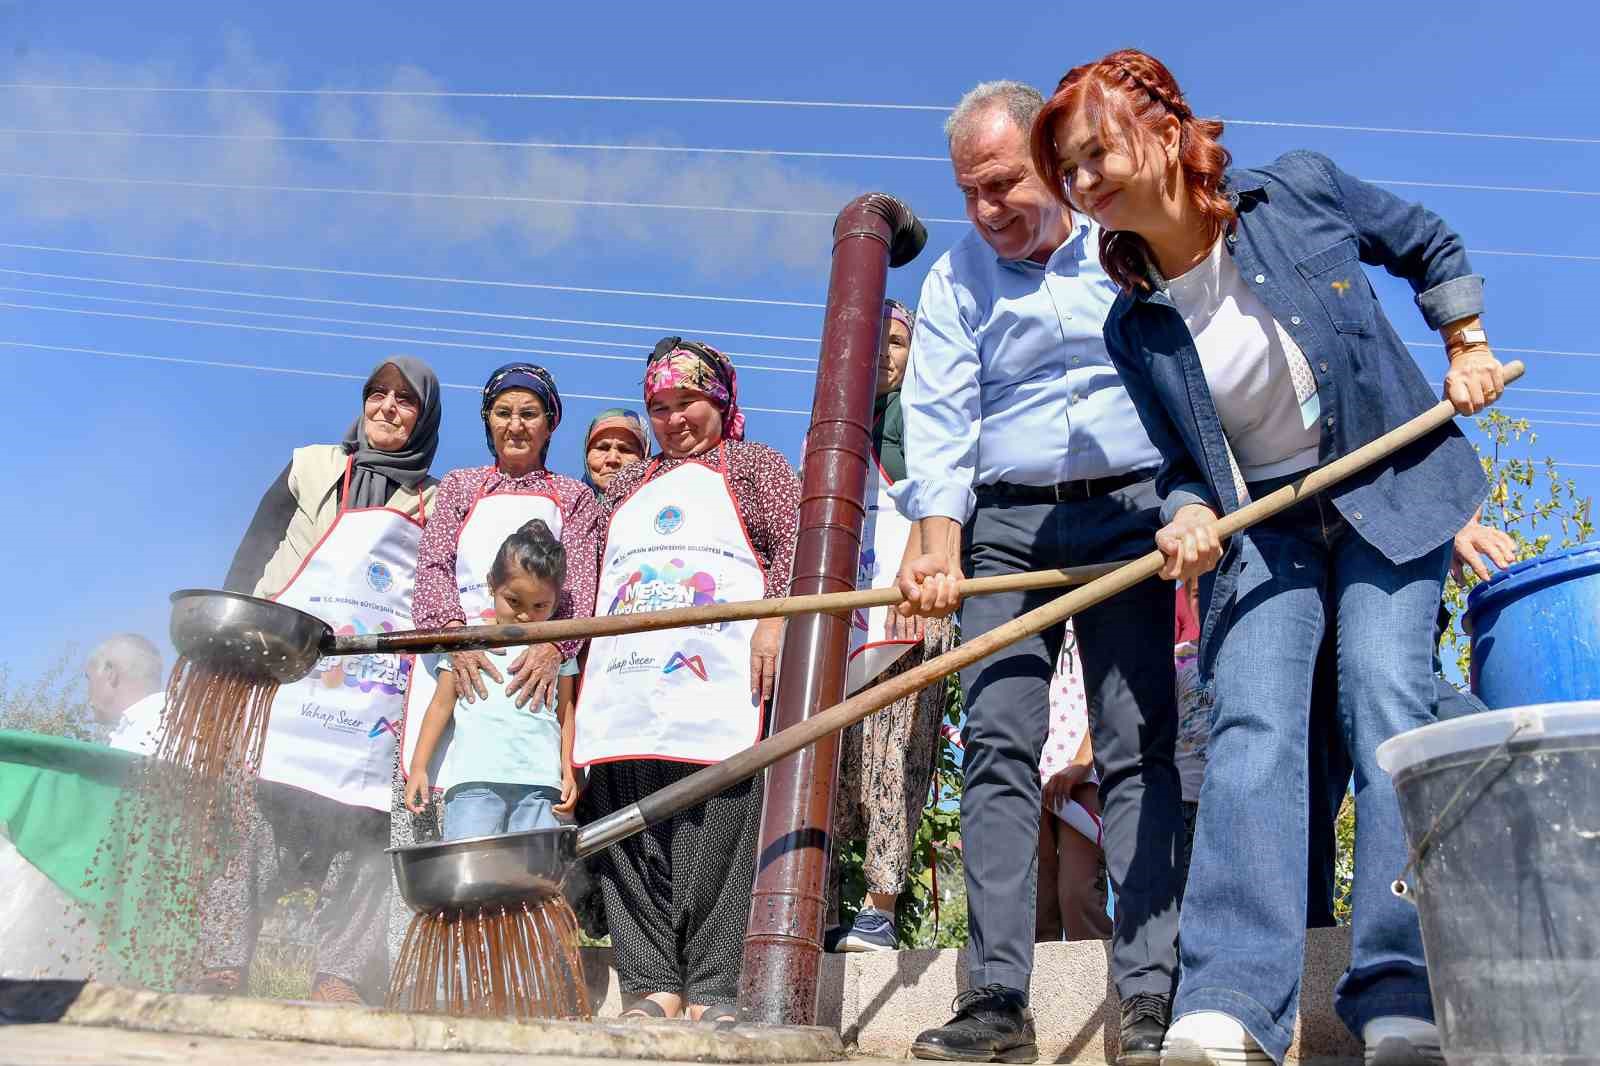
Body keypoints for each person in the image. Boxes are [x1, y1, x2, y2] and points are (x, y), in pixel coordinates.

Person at [1032, 49, 1504, 1065]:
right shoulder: (1134, 322)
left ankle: (1395, 992)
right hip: (1270, 528)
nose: (1082, 183)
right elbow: (1182, 460)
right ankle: (1231, 1002)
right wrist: (1188, 510)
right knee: (1249, 722)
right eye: (1067, 169)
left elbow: (1424, 241)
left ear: (1163, 128)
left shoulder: (1297, 191)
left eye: (1094, 151)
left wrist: (1462, 340)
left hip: (1387, 491)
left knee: (1387, 696)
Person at [892, 81, 1182, 1066]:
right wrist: (936, 539)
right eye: (968, 192)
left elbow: (1193, 358)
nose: (986, 210)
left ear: (1055, 164)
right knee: (999, 745)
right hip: (1007, 525)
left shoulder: (1126, 241)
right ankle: (997, 1002)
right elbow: (937, 410)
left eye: (1003, 183)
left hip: (1131, 511)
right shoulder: (956, 278)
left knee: (1136, 746)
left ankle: (1149, 998)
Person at [573, 337, 800, 1023]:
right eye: (660, 408)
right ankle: (650, 986)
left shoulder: (758, 467)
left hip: (718, 675)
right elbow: (588, 579)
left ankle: (712, 990)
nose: (674, 421)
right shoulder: (625, 488)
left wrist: (776, 621)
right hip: (623, 681)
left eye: (688, 402)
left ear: (722, 399)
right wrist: (577, 656)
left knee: (718, 829)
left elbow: (797, 541)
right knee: (625, 828)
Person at [203, 356, 442, 1003]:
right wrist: (220, 637)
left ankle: (338, 977)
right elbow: (254, 549)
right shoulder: (310, 464)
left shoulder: (435, 500)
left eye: (404, 401)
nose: (387, 408)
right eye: (378, 395)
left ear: (425, 418)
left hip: (369, 694)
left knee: (362, 831)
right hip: (280, 674)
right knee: (250, 815)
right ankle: (222, 966)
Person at [393, 362, 602, 955]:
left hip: (536, 681)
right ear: (487, 420)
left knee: (526, 873)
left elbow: (582, 580)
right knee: (462, 849)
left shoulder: (574, 498)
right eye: (504, 412)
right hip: (459, 663)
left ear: (549, 424)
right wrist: (454, 639)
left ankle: (526, 967)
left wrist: (554, 644)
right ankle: (455, 965)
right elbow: (432, 569)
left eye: (529, 414)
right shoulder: (460, 487)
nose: (516, 425)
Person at [830, 299, 957, 953]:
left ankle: (879, 906)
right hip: (843, 617)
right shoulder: (836, 425)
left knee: (893, 757)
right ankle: (822, 900)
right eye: (871, 339)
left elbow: (935, 490)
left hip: (908, 607)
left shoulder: (927, 413)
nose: (883, 352)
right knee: (835, 762)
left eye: (899, 341)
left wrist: (916, 568)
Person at [405, 520, 579, 838]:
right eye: (514, 601)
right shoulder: (469, 647)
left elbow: (565, 712)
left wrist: (568, 770)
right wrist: (419, 767)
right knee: (469, 873)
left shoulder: (557, 656)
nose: (526, 615)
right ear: (491, 585)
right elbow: (440, 707)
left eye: (540, 606)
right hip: (474, 783)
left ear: (556, 603)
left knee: (535, 879)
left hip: (541, 786)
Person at [1035, 621, 1113, 943]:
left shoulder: (1099, 612)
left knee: (1078, 894)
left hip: (1084, 777)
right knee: (1037, 905)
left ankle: (1105, 988)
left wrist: (1082, 762)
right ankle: (1034, 992)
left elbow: (1112, 693)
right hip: (1030, 775)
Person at [84, 633, 164, 756]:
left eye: (89, 678)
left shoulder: (143, 732)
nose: (87, 691)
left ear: (110, 673)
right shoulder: (178, 717)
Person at [581, 408, 650, 495]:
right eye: (602, 448)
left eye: (626, 450)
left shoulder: (660, 504)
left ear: (644, 457)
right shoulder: (566, 505)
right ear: (586, 455)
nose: (612, 459)